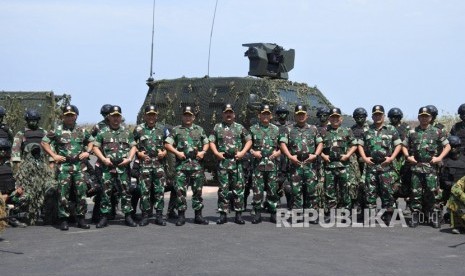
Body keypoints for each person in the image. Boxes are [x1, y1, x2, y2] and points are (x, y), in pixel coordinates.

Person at [42, 105, 93, 231]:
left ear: (76, 116)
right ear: (63, 116)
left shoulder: (82, 130)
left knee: (81, 192)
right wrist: (54, 155)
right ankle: (63, 219)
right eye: (67, 115)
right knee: (63, 194)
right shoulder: (57, 130)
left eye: (72, 115)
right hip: (64, 166)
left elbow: (92, 141)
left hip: (79, 166)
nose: (70, 117)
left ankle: (81, 218)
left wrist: (88, 152)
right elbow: (44, 142)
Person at [403, 106, 451, 228]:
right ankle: (416, 216)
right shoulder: (412, 132)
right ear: (418, 117)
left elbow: (448, 146)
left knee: (433, 193)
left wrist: (439, 158)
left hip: (431, 168)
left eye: (426, 116)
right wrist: (408, 157)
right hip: (417, 167)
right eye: (422, 116)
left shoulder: (437, 131)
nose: (424, 118)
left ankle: (434, 216)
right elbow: (403, 145)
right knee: (415, 193)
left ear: (430, 118)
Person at [92, 105, 138, 228]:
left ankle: (127, 216)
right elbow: (95, 147)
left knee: (125, 192)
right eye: (113, 116)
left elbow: (133, 146)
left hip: (123, 167)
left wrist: (129, 159)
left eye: (118, 116)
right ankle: (104, 217)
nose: (116, 119)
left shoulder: (126, 132)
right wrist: (103, 159)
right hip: (108, 167)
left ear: (120, 117)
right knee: (105, 192)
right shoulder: (103, 132)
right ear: (109, 117)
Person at [164, 106, 209, 226]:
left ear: (193, 117)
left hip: (196, 166)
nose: (187, 117)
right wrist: (177, 152)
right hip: (181, 167)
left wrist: (202, 152)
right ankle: (181, 216)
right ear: (182, 116)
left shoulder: (199, 129)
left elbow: (206, 143)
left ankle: (198, 216)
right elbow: (168, 144)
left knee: (198, 192)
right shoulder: (177, 130)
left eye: (190, 115)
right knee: (180, 192)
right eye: (185, 115)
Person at [358, 105, 402, 225]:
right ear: (372, 116)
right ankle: (371, 216)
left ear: (383, 116)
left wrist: (392, 158)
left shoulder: (391, 129)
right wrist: (365, 158)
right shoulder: (367, 130)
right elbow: (360, 145)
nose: (377, 117)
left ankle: (388, 215)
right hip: (371, 166)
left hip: (386, 166)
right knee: (370, 191)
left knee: (387, 191)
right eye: (375, 114)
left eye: (380, 114)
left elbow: (398, 145)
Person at [209, 103, 252, 225]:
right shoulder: (217, 127)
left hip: (237, 162)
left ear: (234, 114)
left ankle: (238, 215)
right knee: (223, 189)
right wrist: (216, 152)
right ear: (223, 114)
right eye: (226, 112)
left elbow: (249, 140)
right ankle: (223, 214)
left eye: (230, 112)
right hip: (223, 162)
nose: (228, 114)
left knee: (239, 189)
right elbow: (211, 140)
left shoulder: (239, 127)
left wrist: (243, 152)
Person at [279, 104, 323, 221]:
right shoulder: (288, 129)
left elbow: (320, 143)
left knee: (311, 191)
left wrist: (316, 154)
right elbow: (282, 143)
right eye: (298, 115)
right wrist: (289, 156)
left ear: (307, 115)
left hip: (310, 165)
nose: (301, 117)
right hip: (295, 165)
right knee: (295, 191)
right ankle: (297, 215)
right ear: (295, 116)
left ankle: (311, 215)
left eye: (303, 114)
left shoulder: (313, 129)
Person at [133, 105, 169, 226]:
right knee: (145, 191)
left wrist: (164, 152)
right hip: (145, 165)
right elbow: (132, 144)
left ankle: (159, 216)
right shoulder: (139, 129)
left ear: (156, 116)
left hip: (159, 165)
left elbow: (169, 144)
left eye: (153, 114)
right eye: (149, 114)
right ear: (145, 116)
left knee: (159, 191)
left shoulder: (163, 129)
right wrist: (138, 153)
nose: (151, 117)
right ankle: (145, 216)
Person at [320, 108, 358, 214]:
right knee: (329, 190)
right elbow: (317, 146)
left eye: (337, 117)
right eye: (333, 117)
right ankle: (331, 210)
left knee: (345, 189)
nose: (335, 119)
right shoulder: (324, 131)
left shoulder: (347, 130)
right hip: (329, 165)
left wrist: (348, 155)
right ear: (329, 118)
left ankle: (346, 210)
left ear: (341, 119)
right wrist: (323, 155)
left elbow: (354, 144)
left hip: (344, 165)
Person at [248, 104, 281, 223]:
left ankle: (273, 213)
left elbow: (283, 145)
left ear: (271, 116)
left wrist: (278, 153)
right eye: (263, 114)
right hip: (258, 165)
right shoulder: (253, 129)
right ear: (259, 115)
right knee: (258, 190)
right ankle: (257, 213)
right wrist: (253, 152)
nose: (265, 116)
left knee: (273, 190)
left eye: (268, 114)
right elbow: (247, 146)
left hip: (272, 165)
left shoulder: (276, 129)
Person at [387, 107, 412, 206]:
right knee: (391, 181)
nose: (394, 119)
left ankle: (409, 201)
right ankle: (392, 203)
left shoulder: (406, 128)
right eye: (392, 117)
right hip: (392, 157)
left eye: (396, 117)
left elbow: (409, 142)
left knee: (407, 180)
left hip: (403, 157)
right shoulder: (388, 128)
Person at [274, 105, 293, 209]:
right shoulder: (273, 126)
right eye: (280, 113)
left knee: (289, 183)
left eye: (284, 112)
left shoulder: (292, 127)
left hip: (288, 156)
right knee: (276, 180)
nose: (282, 115)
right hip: (276, 156)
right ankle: (275, 202)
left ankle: (290, 202)